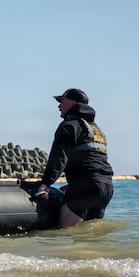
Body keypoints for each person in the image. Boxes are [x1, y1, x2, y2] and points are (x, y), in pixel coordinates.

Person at [35, 88, 113, 229]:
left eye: (61, 101)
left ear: (72, 102)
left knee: (64, 231)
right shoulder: (96, 129)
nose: (59, 106)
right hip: (106, 187)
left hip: (86, 187)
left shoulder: (69, 125)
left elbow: (58, 158)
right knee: (89, 235)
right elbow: (95, 160)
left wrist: (45, 183)